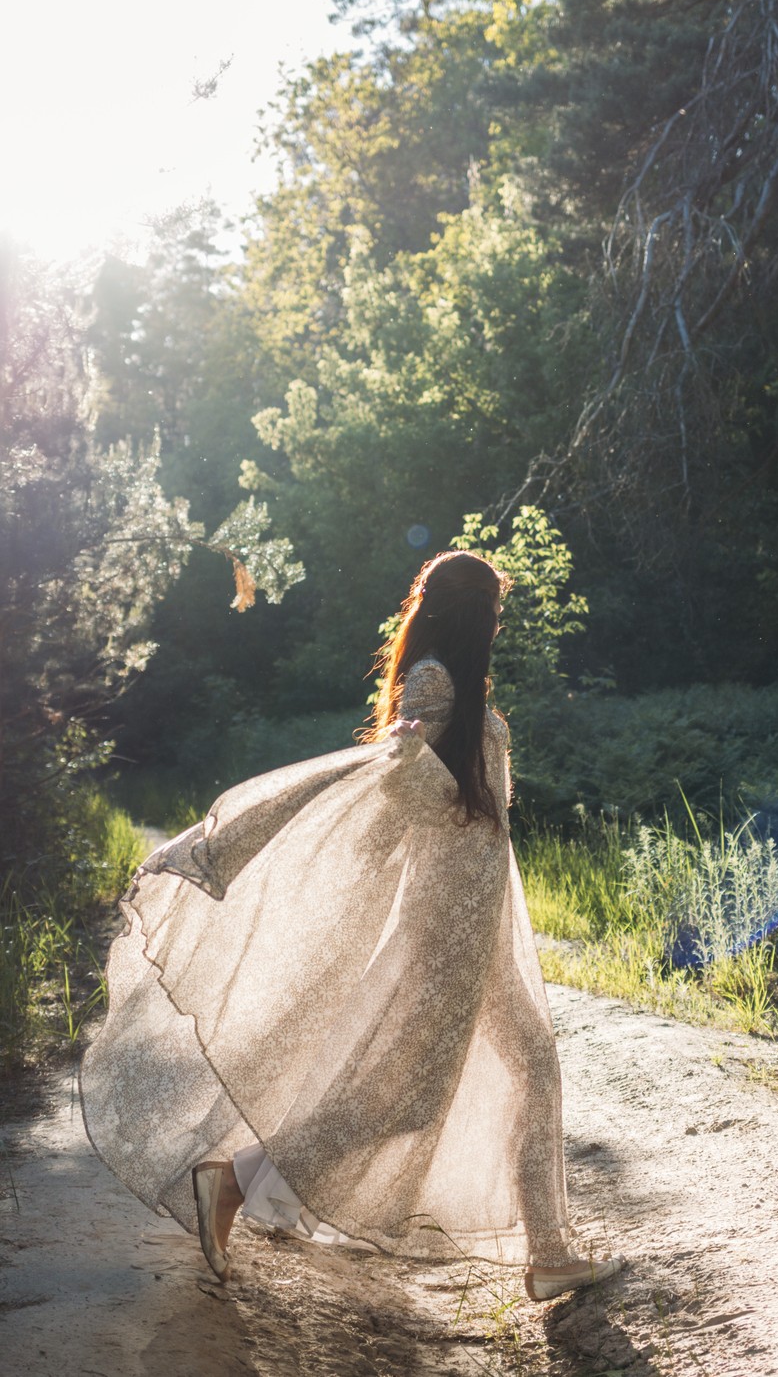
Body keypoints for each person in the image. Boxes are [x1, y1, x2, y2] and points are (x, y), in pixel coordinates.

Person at [80, 550, 622, 1302]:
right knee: (421, 1095)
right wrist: (238, 841)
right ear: (470, 615)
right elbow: (384, 786)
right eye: (494, 608)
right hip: (449, 923)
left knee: (506, 1071)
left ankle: (549, 1251)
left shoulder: (458, 687)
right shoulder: (436, 681)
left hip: (479, 920)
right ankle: (233, 1180)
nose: (500, 620)